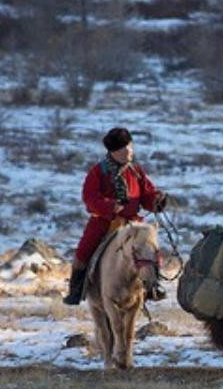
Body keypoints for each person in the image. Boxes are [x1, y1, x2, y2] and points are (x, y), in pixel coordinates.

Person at [63, 127, 168, 306]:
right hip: (105, 221)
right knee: (83, 252)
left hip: (132, 224)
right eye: (123, 149)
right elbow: (90, 198)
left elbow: (146, 195)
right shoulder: (98, 172)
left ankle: (153, 286)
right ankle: (76, 289)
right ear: (113, 152)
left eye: (130, 147)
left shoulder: (136, 171)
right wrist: (111, 206)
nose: (128, 152)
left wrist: (156, 200)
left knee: (150, 248)